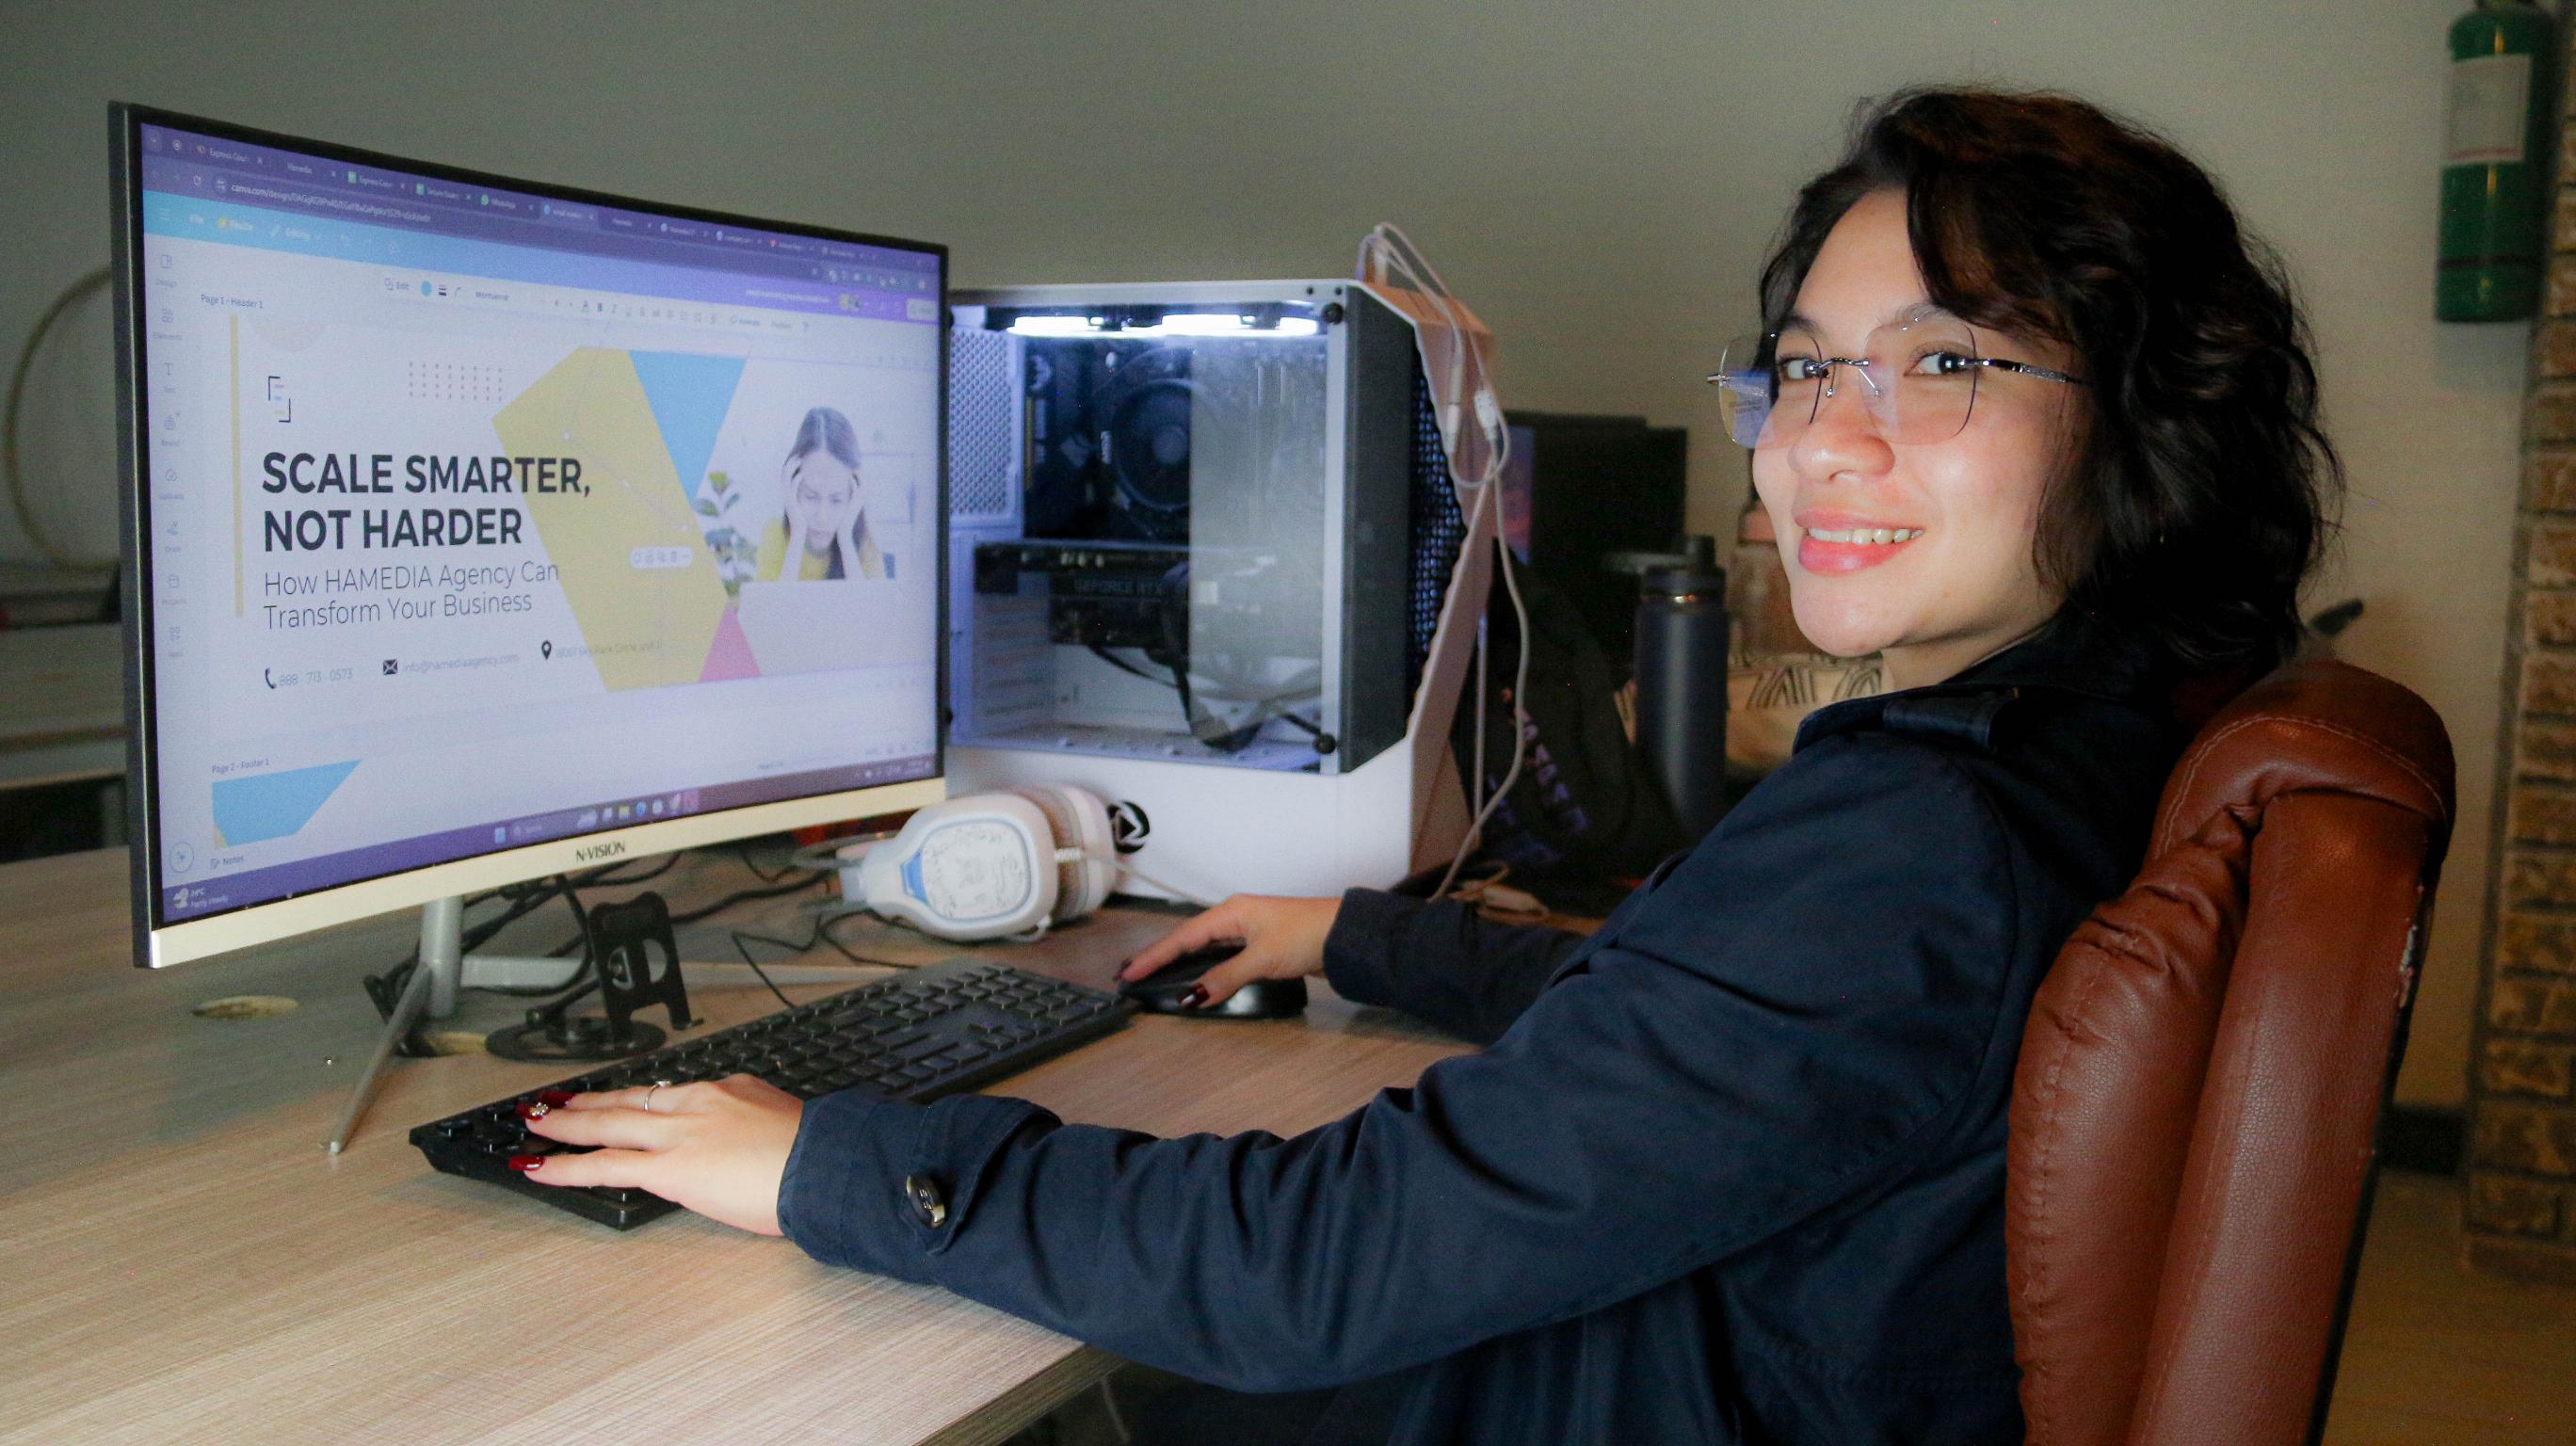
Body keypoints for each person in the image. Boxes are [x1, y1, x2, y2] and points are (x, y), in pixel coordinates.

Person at [517, 87, 2335, 1444]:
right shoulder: (2085, 736)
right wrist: (1368, 937)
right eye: (1799, 371)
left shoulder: (1917, 842)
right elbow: (1723, 1035)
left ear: (2139, 419)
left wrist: (832, 1165)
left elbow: (1329, 1262)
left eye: (1941, 367)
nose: (1819, 447)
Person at [759, 406, 887, 581]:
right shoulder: (776, 535)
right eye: (811, 497)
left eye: (836, 500)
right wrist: (798, 534)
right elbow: (776, 599)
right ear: (793, 487)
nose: (822, 516)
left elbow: (868, 599)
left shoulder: (865, 544)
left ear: (853, 495)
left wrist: (845, 538)